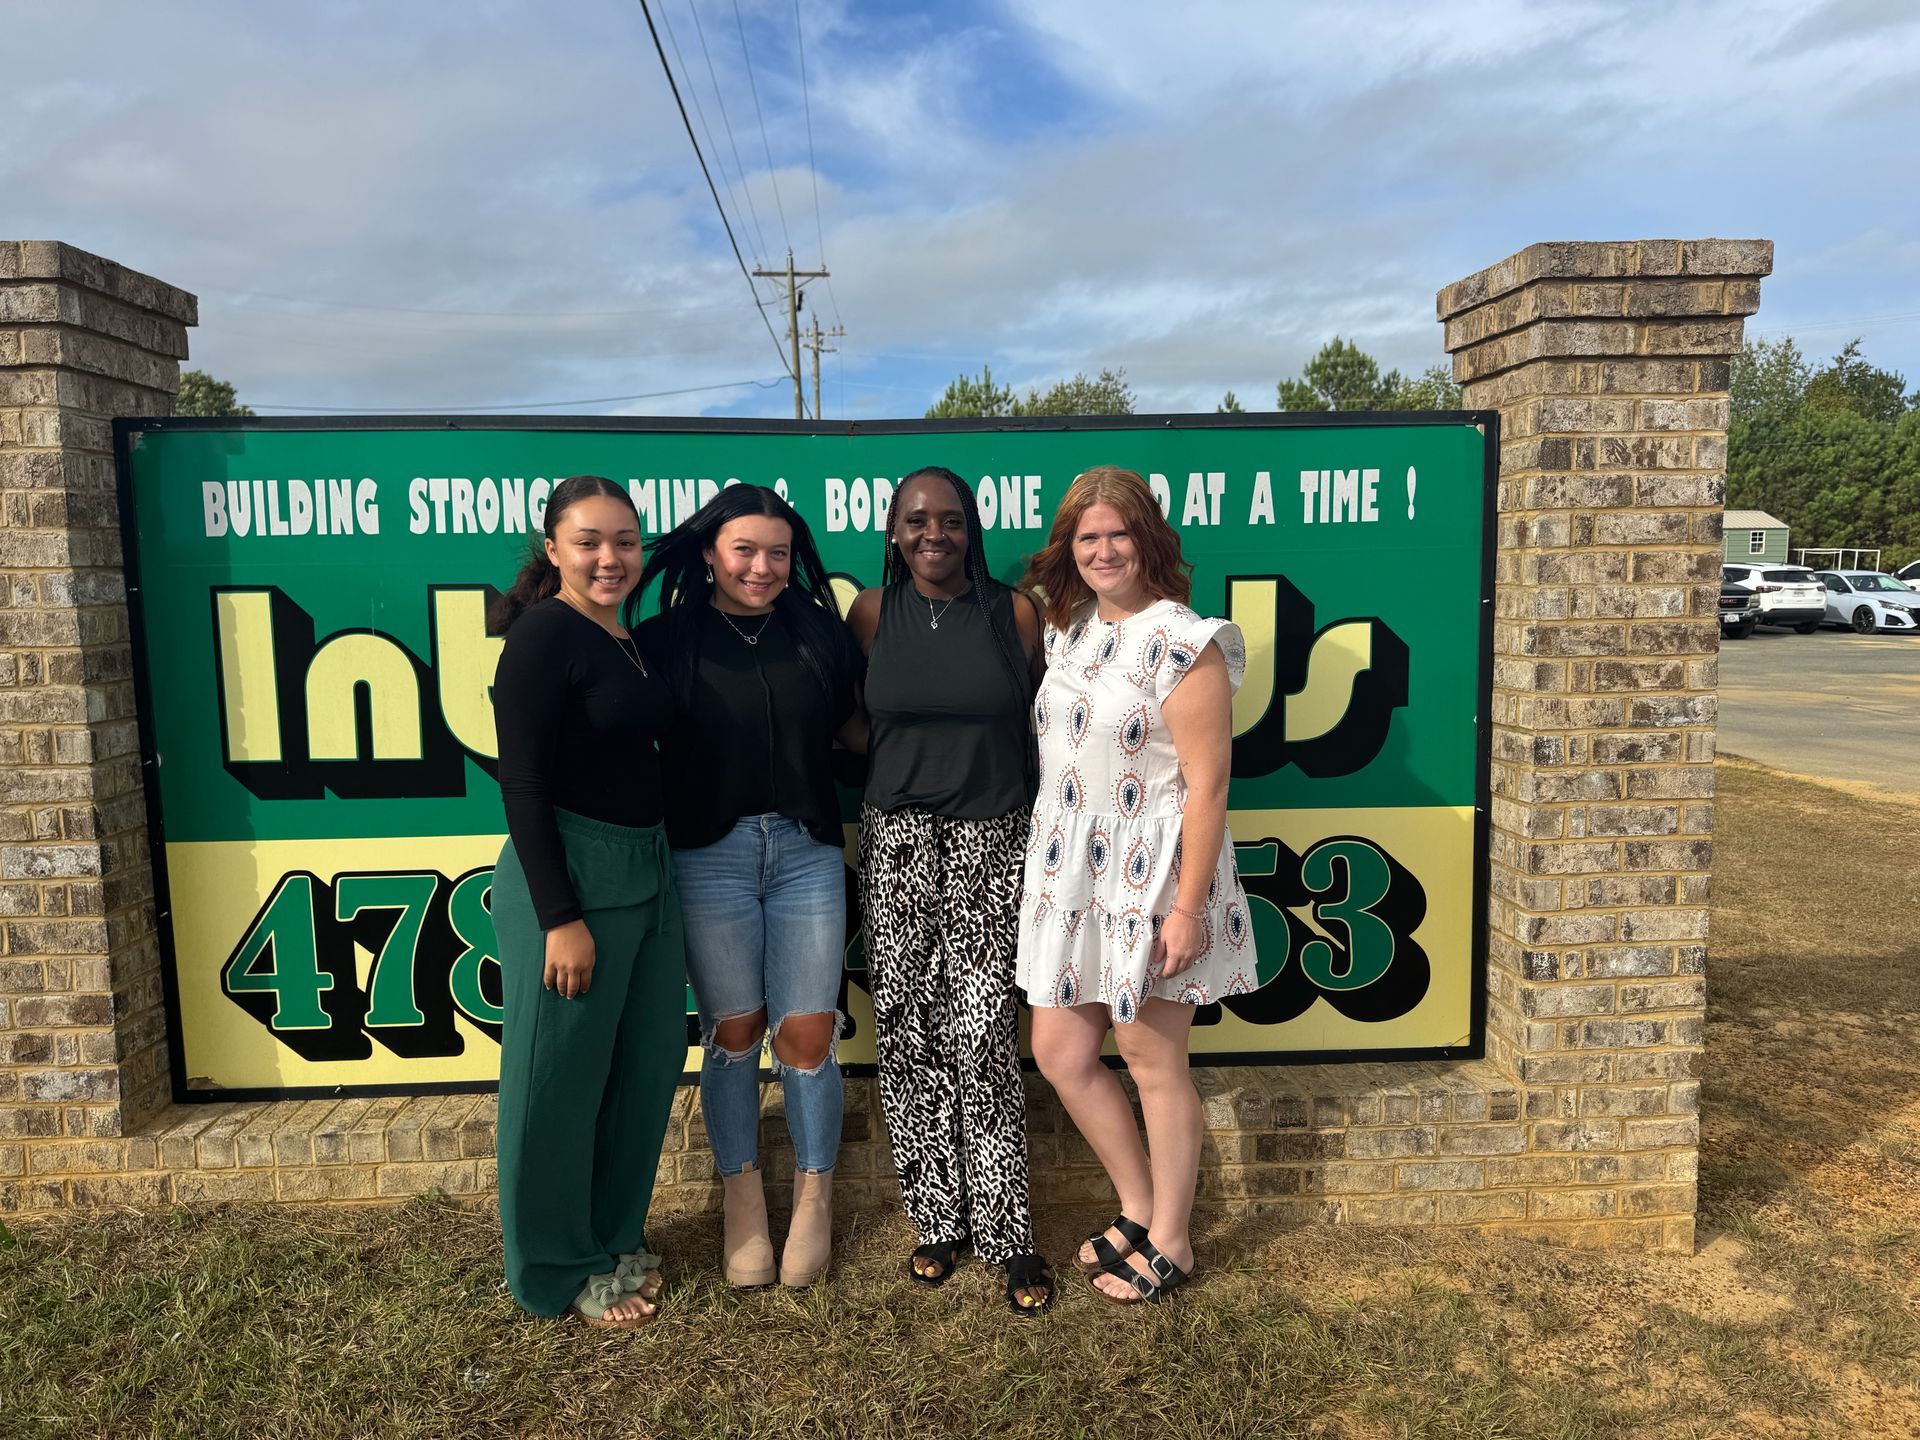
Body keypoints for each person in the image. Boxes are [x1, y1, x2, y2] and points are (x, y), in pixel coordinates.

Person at [1016, 465, 1256, 1305]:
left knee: (1151, 1056)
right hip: (1071, 872)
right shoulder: (1068, 626)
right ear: (1069, 549)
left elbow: (1208, 785)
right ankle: (1139, 1205)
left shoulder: (1185, 640)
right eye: (1087, 537)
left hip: (1153, 876)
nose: (1104, 549)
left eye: (1118, 534)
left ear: (1147, 537)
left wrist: (1186, 909)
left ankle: (1175, 1242)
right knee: (1060, 1050)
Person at [635, 483, 864, 1288]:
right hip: (708, 855)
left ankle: (812, 1197)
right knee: (734, 1034)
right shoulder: (665, 639)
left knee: (806, 1034)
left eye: (777, 553)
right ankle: (742, 1199)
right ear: (709, 554)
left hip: (803, 850)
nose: (762, 567)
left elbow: (857, 730)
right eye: (744, 551)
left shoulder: (817, 633)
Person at [847, 465, 1054, 1316]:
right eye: (916, 520)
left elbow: (1039, 726)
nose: (935, 534)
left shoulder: (1012, 613)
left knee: (983, 1036)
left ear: (972, 527)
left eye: (951, 520)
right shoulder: (868, 612)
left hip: (990, 837)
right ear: (894, 531)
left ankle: (1009, 1235)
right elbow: (851, 719)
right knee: (907, 1033)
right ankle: (937, 1220)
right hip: (894, 839)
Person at [489, 474, 684, 1329]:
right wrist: (559, 916)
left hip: (649, 870)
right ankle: (555, 1267)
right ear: (552, 546)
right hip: (571, 874)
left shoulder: (624, 636)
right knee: (556, 1083)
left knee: (641, 1070)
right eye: (590, 541)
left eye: (625, 542)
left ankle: (611, 1235)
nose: (611, 558)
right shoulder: (541, 636)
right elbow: (522, 784)